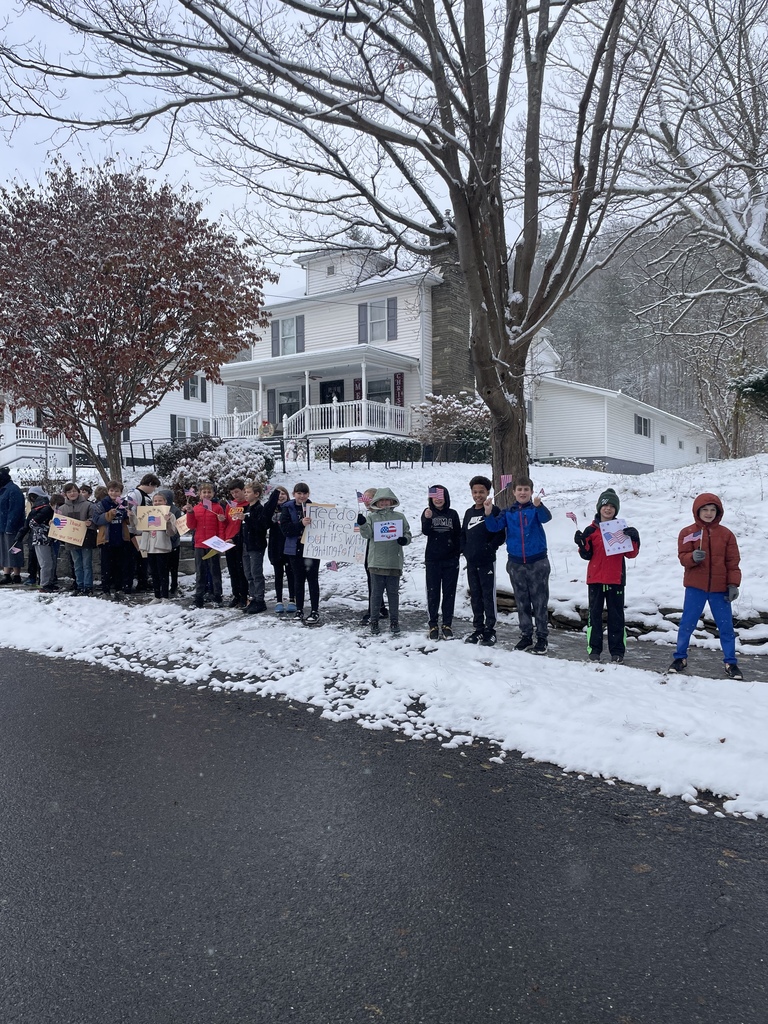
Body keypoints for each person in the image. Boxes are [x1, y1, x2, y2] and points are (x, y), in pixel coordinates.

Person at [668, 492, 743, 680]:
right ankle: (680, 658)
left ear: (718, 512)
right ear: (697, 511)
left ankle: (730, 662)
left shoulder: (726, 535)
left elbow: (732, 562)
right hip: (696, 587)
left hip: (720, 589)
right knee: (687, 624)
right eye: (705, 509)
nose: (708, 513)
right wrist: (691, 558)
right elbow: (682, 557)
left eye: (712, 510)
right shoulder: (687, 533)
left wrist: (733, 584)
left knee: (725, 627)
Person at [484, 476, 552, 655]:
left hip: (538, 562)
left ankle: (542, 637)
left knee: (539, 601)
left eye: (526, 490)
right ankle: (526, 635)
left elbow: (546, 519)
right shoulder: (508, 512)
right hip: (515, 563)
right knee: (522, 602)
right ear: (513, 492)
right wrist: (489, 512)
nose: (522, 492)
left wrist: (539, 506)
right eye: (519, 489)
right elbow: (493, 527)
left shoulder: (535, 509)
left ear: (531, 492)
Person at [574, 487, 640, 664]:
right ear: (599, 508)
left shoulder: (621, 529)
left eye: (612, 506)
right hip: (595, 579)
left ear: (616, 509)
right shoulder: (591, 530)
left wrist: (635, 538)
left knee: (616, 617)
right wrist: (581, 542)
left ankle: (617, 651)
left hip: (615, 579)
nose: (608, 509)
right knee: (594, 616)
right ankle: (594, 649)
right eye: (605, 505)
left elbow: (631, 554)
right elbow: (586, 554)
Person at [357, 487, 412, 636]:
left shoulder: (400, 517)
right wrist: (362, 524)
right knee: (376, 594)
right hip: (376, 562)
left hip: (394, 561)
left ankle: (394, 621)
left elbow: (407, 533)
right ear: (377, 502)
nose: (385, 503)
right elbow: (367, 534)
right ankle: (374, 621)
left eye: (387, 500)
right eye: (381, 500)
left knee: (393, 594)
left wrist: (404, 539)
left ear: (392, 501)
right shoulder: (372, 517)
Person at [461, 475, 506, 646]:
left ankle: (490, 630)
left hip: (487, 561)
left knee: (488, 595)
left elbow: (500, 534)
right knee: (476, 596)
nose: (478, 495)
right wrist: (464, 549)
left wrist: (490, 547)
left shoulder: (494, 511)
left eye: (481, 492)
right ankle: (478, 629)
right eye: (475, 492)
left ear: (488, 492)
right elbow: (463, 535)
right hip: (472, 562)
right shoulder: (469, 512)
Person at [421, 484, 461, 640]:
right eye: (435, 497)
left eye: (441, 497)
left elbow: (458, 534)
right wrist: (427, 519)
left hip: (450, 560)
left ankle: (447, 624)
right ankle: (432, 624)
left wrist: (457, 554)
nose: (438, 500)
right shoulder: (427, 513)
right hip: (433, 559)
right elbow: (426, 531)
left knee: (449, 593)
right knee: (433, 593)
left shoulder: (453, 514)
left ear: (446, 498)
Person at [280, 482, 322, 625]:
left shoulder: (316, 508)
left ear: (308, 494)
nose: (302, 496)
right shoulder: (287, 508)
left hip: (312, 548)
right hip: (295, 549)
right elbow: (285, 529)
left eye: (304, 493)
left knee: (312, 579)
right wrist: (300, 525)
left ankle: (315, 610)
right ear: (294, 494)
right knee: (298, 580)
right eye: (299, 493)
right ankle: (299, 609)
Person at [183, 481, 226, 608]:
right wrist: (190, 513)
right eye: (204, 492)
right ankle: (199, 596)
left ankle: (217, 596)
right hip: (200, 544)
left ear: (213, 494)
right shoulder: (196, 508)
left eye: (209, 492)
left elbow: (221, 527)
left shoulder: (218, 508)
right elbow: (191, 526)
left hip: (213, 544)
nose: (207, 494)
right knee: (200, 571)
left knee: (215, 571)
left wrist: (221, 541)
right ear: (199, 495)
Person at [240, 481, 280, 614]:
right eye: (245, 492)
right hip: (247, 544)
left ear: (256, 494)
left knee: (256, 573)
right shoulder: (247, 508)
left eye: (248, 492)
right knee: (248, 573)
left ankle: (260, 600)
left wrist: (246, 519)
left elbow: (261, 526)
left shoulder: (259, 509)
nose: (246, 494)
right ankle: (252, 598)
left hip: (256, 545)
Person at [93, 481, 135, 600]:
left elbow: (128, 522)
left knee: (120, 566)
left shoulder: (124, 503)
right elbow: (96, 520)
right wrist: (108, 515)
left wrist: (130, 516)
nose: (114, 493)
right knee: (106, 566)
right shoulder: (101, 504)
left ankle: (119, 589)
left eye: (117, 491)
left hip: (121, 539)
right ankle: (105, 590)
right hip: (106, 540)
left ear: (121, 493)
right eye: (111, 490)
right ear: (108, 491)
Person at [11, 486, 56, 592]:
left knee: (43, 562)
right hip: (45, 538)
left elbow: (28, 525)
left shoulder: (36, 509)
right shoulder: (47, 508)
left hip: (37, 538)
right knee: (47, 563)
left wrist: (18, 538)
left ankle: (44, 582)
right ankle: (45, 584)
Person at [58, 481, 97, 595]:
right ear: (65, 494)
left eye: (74, 491)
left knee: (86, 564)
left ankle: (88, 586)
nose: (72, 493)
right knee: (77, 565)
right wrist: (53, 522)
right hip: (71, 540)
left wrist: (90, 522)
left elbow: (93, 518)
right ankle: (79, 585)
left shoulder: (88, 505)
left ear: (79, 492)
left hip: (86, 539)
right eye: (69, 491)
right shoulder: (62, 508)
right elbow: (58, 523)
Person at [140, 491, 178, 602]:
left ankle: (165, 596)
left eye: (160, 500)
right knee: (154, 573)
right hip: (150, 547)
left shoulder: (170, 515)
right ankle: (157, 595)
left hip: (162, 548)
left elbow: (172, 532)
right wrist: (133, 517)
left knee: (163, 573)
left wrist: (168, 522)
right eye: (155, 501)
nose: (157, 503)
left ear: (165, 502)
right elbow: (140, 527)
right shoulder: (148, 514)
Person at [125, 473, 160, 592]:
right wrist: (134, 531)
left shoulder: (143, 495)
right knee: (133, 560)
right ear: (150, 484)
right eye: (154, 487)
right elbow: (130, 511)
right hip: (135, 533)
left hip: (142, 532)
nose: (153, 490)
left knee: (143, 559)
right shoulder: (135, 494)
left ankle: (142, 582)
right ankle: (129, 585)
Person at [359, 486, 388, 626]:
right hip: (369, 551)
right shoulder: (369, 514)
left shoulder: (378, 515)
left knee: (375, 581)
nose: (365, 501)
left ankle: (374, 609)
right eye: (364, 498)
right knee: (372, 580)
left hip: (378, 552)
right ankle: (380, 607)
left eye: (368, 498)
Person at [267, 485, 296, 613]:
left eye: (283, 493)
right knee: (278, 574)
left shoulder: (291, 508)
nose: (281, 496)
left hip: (288, 545)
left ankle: (292, 599)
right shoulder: (269, 510)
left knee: (291, 573)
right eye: (277, 494)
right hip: (275, 545)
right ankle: (279, 600)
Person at [222, 478, 250, 608]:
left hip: (240, 540)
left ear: (244, 491)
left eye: (237, 492)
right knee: (232, 570)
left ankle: (244, 595)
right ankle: (236, 595)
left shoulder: (247, 505)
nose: (235, 495)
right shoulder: (230, 505)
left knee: (241, 570)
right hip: (228, 540)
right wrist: (222, 520)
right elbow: (227, 523)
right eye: (232, 493)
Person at [0, 466, 26, 585]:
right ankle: (6, 573)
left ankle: (16, 574)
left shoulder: (13, 490)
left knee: (14, 550)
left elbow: (15, 510)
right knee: (5, 550)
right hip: (2, 525)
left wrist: (10, 526)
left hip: (12, 526)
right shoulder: (3, 489)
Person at [158, 488, 183, 595]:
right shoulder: (156, 510)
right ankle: (163, 587)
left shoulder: (175, 510)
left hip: (173, 543)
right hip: (161, 543)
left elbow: (179, 527)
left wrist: (172, 538)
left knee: (173, 567)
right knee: (163, 568)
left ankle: (174, 586)